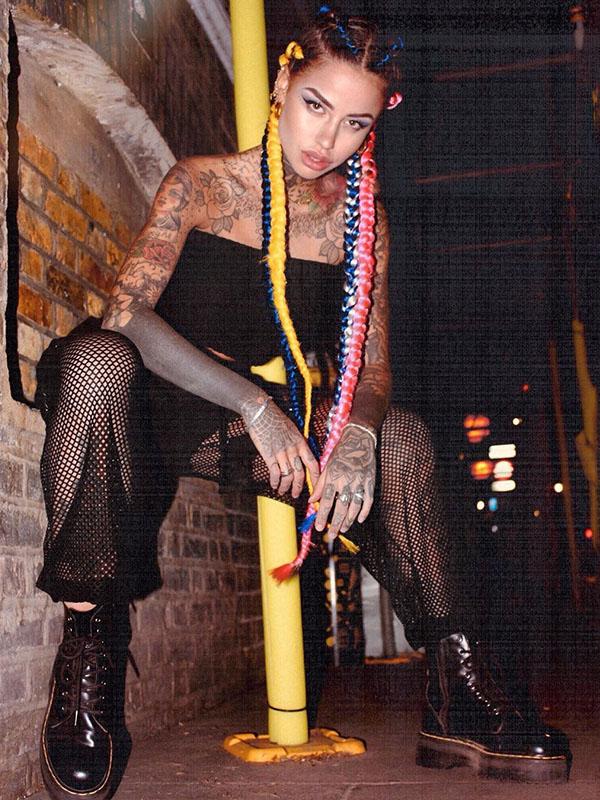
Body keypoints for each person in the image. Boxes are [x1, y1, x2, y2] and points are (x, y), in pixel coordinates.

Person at [34, 8, 571, 799]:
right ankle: (89, 644)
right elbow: (127, 314)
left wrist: (358, 432)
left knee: (403, 439)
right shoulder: (203, 184)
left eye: (355, 123)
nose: (328, 138)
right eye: (317, 105)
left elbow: (374, 368)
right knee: (94, 357)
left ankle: (457, 682)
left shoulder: (362, 225)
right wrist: (253, 406)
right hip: (151, 396)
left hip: (249, 423)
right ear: (284, 83)